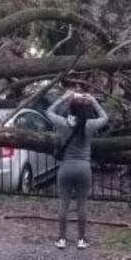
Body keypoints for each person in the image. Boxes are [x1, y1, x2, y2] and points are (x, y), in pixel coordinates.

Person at [46, 91, 108, 250]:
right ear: (87, 111)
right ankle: (81, 239)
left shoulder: (62, 123)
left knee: (64, 204)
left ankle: (61, 239)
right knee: (82, 204)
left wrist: (64, 97)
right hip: (84, 168)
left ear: (70, 109)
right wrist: (94, 101)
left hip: (66, 168)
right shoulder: (89, 125)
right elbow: (105, 118)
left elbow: (48, 112)